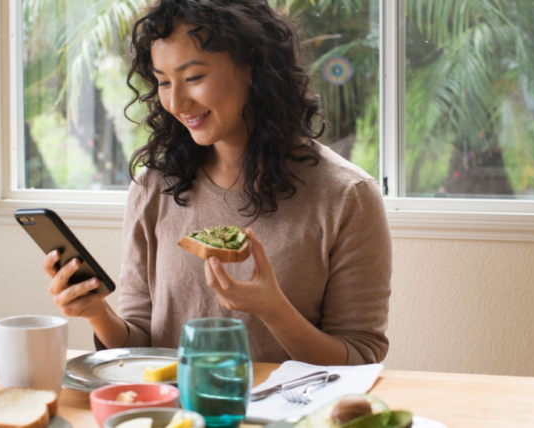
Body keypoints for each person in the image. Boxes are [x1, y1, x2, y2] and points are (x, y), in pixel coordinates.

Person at [43, 0, 391, 365]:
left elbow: (362, 357)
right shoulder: (153, 188)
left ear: (254, 65)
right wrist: (97, 312)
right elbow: (141, 346)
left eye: (193, 78)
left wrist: (273, 310)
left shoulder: (348, 196)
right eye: (163, 82)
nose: (176, 102)